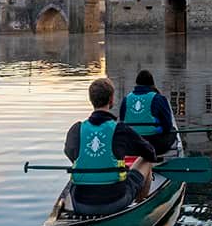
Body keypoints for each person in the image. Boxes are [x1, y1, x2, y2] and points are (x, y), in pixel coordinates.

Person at [63, 77, 156, 214]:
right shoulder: (120, 129)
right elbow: (150, 153)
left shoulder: (76, 129)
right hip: (115, 201)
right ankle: (139, 209)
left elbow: (69, 153)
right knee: (147, 160)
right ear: (111, 100)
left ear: (91, 100)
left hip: (81, 203)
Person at [118, 69, 178, 155]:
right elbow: (167, 125)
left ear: (136, 83)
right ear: (152, 84)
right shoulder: (158, 98)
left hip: (131, 143)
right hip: (153, 144)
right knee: (173, 130)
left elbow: (122, 120)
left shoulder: (126, 99)